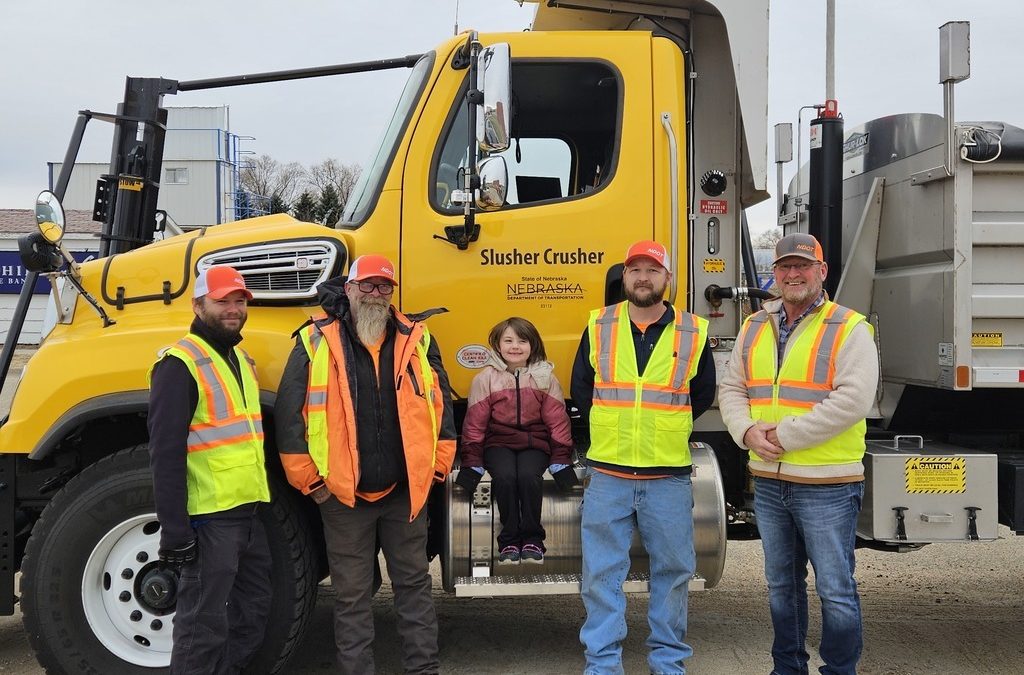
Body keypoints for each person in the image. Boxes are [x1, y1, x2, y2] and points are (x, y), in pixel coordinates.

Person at [275, 254, 456, 675]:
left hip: (403, 493)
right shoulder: (315, 339)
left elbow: (442, 407)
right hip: (342, 496)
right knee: (352, 596)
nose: (376, 294)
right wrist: (311, 483)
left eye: (384, 287)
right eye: (368, 286)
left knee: (414, 587)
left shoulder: (418, 339)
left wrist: (435, 470)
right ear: (350, 289)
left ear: (392, 293)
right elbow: (290, 415)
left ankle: (423, 669)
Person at [718, 232, 879, 675]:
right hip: (770, 481)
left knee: (835, 589)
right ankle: (787, 668)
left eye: (803, 266)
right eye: (785, 266)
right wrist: (746, 431)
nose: (793, 274)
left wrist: (783, 437)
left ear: (821, 272)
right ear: (775, 272)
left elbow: (852, 401)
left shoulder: (849, 327)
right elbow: (732, 387)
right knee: (780, 587)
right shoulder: (754, 325)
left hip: (827, 483)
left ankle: (838, 671)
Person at [570, 240, 716, 675]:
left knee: (673, 573)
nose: (642, 277)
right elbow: (582, 388)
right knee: (600, 576)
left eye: (652, 270)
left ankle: (668, 663)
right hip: (609, 472)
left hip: (666, 475)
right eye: (634, 269)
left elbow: (701, 395)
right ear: (624, 278)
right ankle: (602, 665)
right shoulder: (599, 325)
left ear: (667, 279)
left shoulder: (692, 331)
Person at [147, 265, 272, 675]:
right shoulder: (179, 364)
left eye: (240, 301)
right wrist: (176, 532)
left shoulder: (238, 357)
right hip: (209, 519)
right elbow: (164, 454)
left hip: (246, 513)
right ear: (199, 304)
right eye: (223, 301)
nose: (234, 309)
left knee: (251, 613)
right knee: (201, 626)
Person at [455, 317, 578, 565]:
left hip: (535, 442)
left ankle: (533, 539)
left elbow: (557, 421)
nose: (515, 346)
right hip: (498, 442)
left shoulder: (545, 378)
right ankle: (509, 539)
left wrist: (561, 459)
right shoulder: (485, 378)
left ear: (533, 345)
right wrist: (472, 461)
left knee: (528, 477)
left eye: (522, 341)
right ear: (497, 345)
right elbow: (475, 423)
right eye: (508, 340)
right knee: (505, 477)